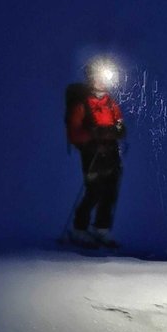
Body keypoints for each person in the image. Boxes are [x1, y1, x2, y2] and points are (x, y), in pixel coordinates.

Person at [66, 59, 126, 247]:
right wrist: (93, 134)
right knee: (94, 191)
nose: (102, 82)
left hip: (110, 152)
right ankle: (79, 228)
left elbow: (120, 124)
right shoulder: (82, 104)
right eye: (98, 78)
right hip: (91, 153)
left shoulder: (110, 103)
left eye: (104, 78)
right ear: (91, 79)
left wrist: (117, 130)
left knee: (110, 190)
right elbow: (74, 132)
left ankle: (101, 228)